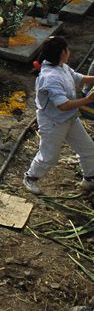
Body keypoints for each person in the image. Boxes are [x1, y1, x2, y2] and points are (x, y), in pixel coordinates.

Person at [23, 37, 94, 195]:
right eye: (67, 49)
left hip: (69, 118)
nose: (69, 52)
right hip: (53, 121)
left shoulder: (61, 66)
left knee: (88, 149)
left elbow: (78, 77)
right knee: (49, 156)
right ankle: (30, 177)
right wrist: (87, 100)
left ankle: (89, 179)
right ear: (62, 53)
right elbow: (63, 105)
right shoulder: (50, 77)